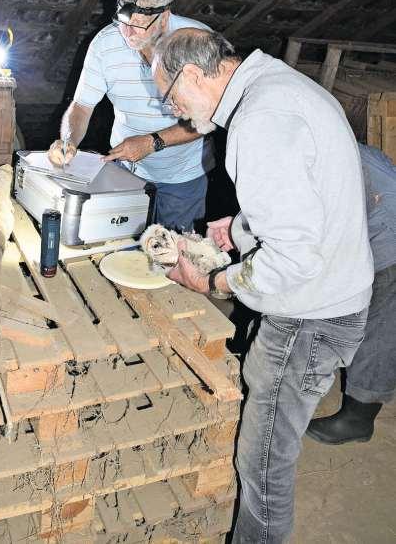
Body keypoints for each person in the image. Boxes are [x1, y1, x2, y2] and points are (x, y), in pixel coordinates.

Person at [151, 28, 374, 544]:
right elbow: (308, 200)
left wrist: (211, 279)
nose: (174, 111)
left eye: (170, 97)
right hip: (332, 294)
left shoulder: (260, 119)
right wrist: (242, 228)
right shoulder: (278, 84)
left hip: (310, 314)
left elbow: (293, 257)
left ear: (192, 74)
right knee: (267, 435)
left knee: (264, 459)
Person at [47, 0, 212, 232]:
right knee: (121, 245)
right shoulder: (105, 44)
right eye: (123, 20)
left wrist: (152, 142)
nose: (128, 32)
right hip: (126, 171)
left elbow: (210, 118)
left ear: (164, 17)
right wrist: (69, 141)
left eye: (138, 25)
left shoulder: (199, 42)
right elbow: (82, 106)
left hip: (181, 177)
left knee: (175, 250)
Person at [307, 142, 396, 444]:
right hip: (379, 223)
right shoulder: (337, 142)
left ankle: (358, 419)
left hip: (389, 239)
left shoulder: (323, 157)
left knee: (381, 334)